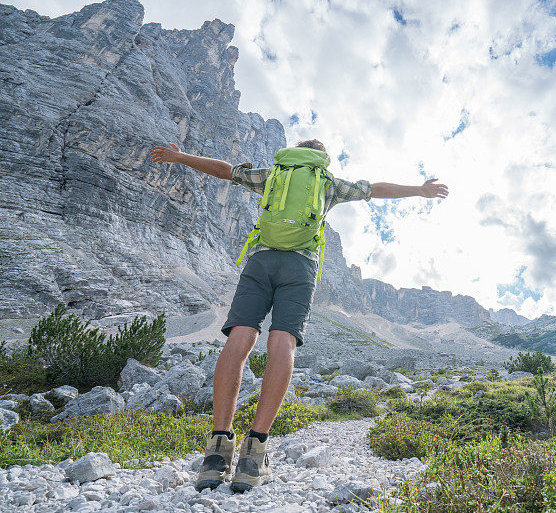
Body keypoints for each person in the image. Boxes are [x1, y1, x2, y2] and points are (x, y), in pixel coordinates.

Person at [149, 139, 448, 492]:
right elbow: (375, 189)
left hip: (261, 261)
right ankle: (253, 456)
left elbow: (224, 169)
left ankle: (216, 454)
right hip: (300, 265)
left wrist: (179, 156)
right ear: (321, 157)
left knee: (240, 340)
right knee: (283, 344)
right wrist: (420, 190)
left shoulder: (274, 173)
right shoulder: (327, 182)